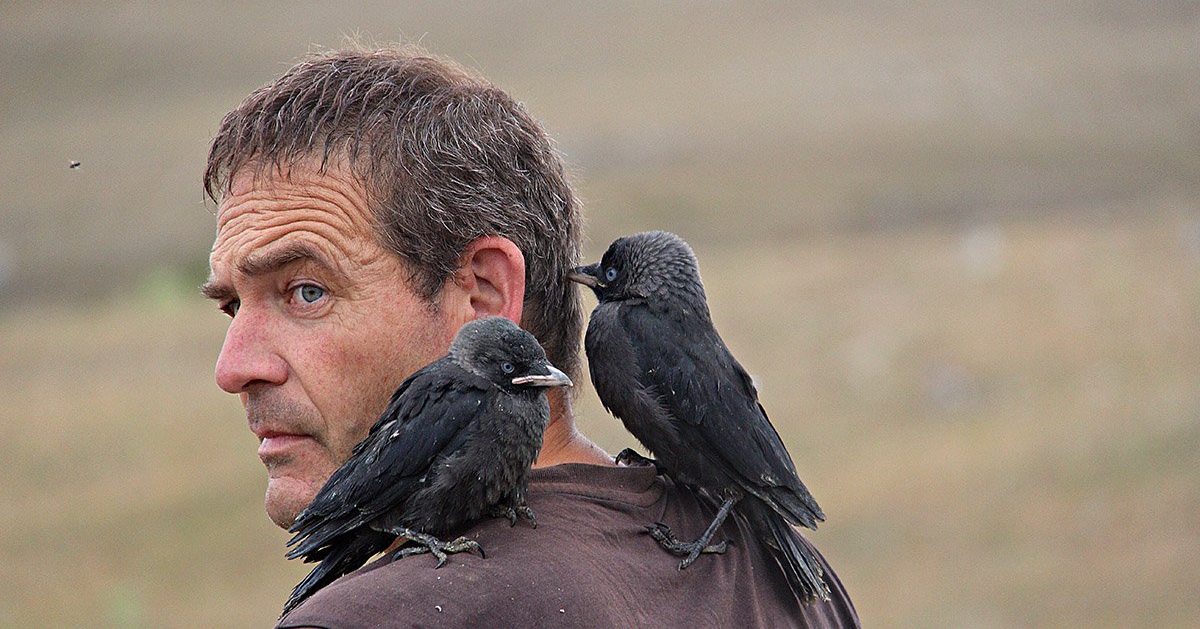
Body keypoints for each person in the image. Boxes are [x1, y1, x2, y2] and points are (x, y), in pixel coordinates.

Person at [201, 44, 859, 628]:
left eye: (306, 291)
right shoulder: (799, 586)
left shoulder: (375, 617)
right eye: (232, 306)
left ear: (483, 297)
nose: (234, 367)